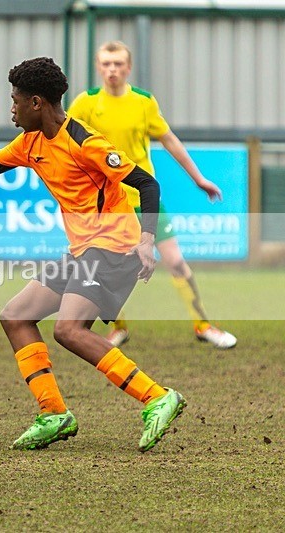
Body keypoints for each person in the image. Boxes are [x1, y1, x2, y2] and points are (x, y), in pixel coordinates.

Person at [0, 57, 185, 452]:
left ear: (36, 103)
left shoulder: (85, 142)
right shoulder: (31, 143)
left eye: (14, 101)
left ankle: (157, 397)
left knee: (69, 331)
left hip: (114, 247)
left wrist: (147, 240)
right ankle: (54, 414)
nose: (10, 109)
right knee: (16, 316)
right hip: (83, 249)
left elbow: (147, 183)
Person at [68, 40, 236, 349]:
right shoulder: (85, 103)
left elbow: (169, 139)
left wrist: (198, 178)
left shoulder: (144, 102)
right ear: (98, 67)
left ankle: (203, 325)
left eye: (118, 64)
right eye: (106, 64)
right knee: (108, 272)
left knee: (175, 262)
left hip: (145, 199)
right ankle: (117, 328)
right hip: (108, 204)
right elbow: (66, 144)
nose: (112, 70)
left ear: (128, 67)